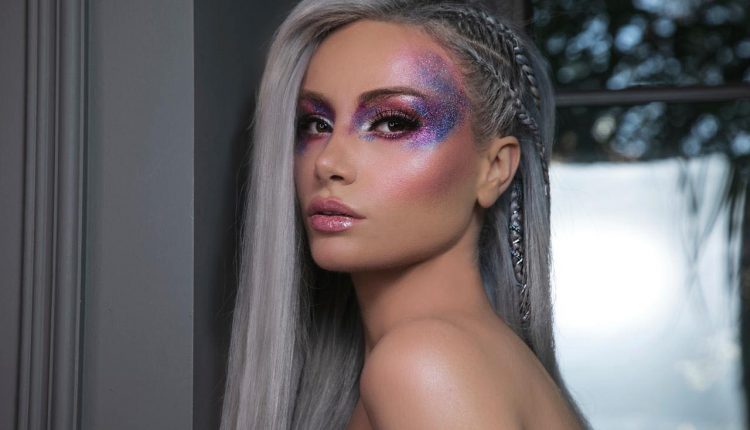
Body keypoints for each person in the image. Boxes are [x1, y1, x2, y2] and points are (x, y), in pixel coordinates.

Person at [220, 0, 590, 428]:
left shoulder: (424, 366)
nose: (328, 163)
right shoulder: (467, 356)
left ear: (494, 169)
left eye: (393, 123)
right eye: (316, 124)